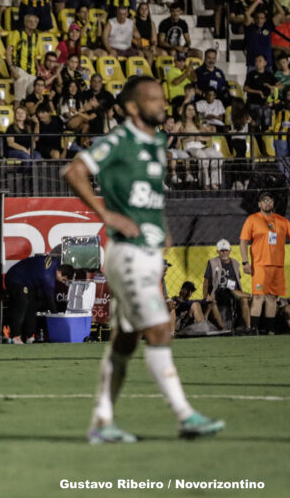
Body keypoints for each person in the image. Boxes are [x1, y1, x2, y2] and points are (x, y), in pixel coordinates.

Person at [62, 75, 224, 443]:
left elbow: (148, 193)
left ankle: (102, 423)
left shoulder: (157, 142)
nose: (161, 104)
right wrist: (106, 216)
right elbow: (74, 171)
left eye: (162, 97)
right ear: (133, 107)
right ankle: (185, 416)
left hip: (150, 251)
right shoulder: (120, 139)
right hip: (128, 253)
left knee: (126, 341)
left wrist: (161, 225)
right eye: (153, 99)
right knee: (160, 329)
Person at [240, 191, 290, 335]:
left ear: (273, 203)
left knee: (272, 297)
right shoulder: (252, 219)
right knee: (258, 296)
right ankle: (254, 329)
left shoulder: (282, 221)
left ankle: (270, 330)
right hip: (260, 265)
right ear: (259, 204)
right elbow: (243, 242)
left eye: (270, 200)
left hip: (277, 266)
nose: (267, 203)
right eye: (264, 200)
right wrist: (245, 262)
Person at [203, 239, 252, 332]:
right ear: (217, 251)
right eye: (221, 251)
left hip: (234, 292)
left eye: (226, 250)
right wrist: (206, 296)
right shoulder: (212, 262)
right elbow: (206, 282)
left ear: (230, 251)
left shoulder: (236, 263)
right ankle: (252, 295)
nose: (224, 253)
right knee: (229, 290)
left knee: (244, 299)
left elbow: (237, 281)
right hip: (219, 292)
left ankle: (248, 327)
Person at [7, 13, 40, 106]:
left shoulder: (36, 36)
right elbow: (8, 52)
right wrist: (12, 68)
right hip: (20, 70)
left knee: (33, 100)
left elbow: (35, 55)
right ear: (25, 22)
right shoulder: (17, 33)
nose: (33, 23)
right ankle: (16, 120)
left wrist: (38, 68)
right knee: (19, 99)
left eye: (35, 22)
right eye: (30, 21)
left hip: (32, 72)